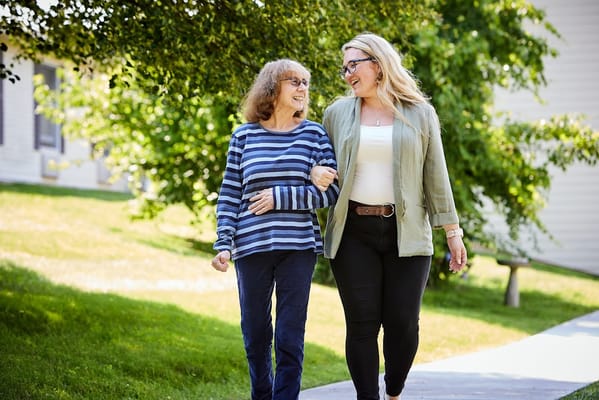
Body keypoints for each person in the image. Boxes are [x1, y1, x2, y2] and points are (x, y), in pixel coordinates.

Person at [311, 32, 467, 400]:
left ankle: (393, 391)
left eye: (354, 65)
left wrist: (452, 230)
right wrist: (314, 172)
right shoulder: (336, 113)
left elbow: (436, 175)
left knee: (402, 325)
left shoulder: (419, 112)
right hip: (353, 233)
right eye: (344, 67)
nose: (347, 73)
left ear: (378, 65)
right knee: (362, 325)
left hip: (407, 231)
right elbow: (316, 160)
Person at [211, 59, 339, 400]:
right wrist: (223, 242)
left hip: (297, 248)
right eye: (293, 81)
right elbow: (230, 194)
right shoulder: (244, 136)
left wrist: (280, 196)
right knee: (255, 334)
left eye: (305, 83)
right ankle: (261, 394)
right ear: (272, 87)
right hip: (250, 247)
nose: (302, 88)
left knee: (289, 335)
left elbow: (331, 190)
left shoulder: (314, 135)